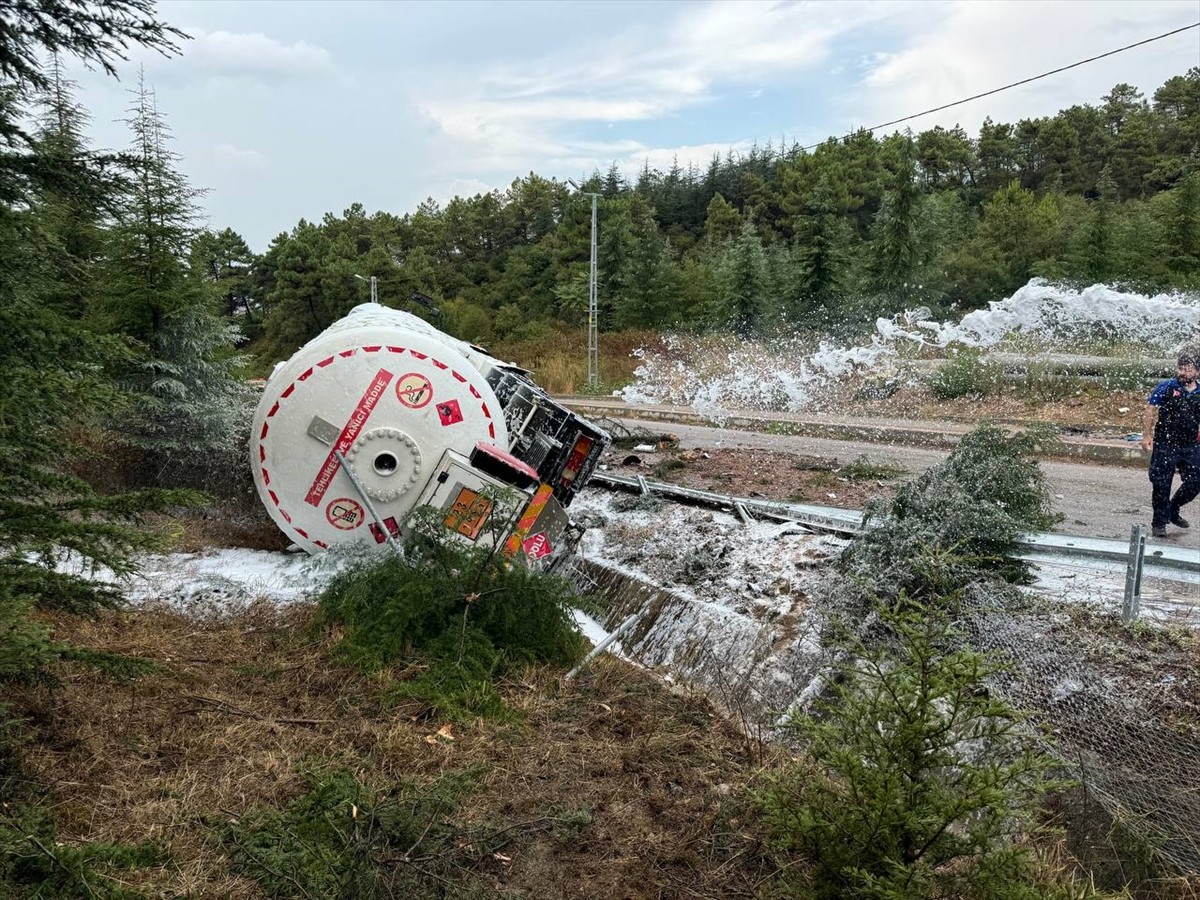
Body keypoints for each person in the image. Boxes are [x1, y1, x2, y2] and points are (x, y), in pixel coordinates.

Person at [1141, 348, 1200, 538]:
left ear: (1197, 372)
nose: (1183, 373)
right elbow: (1150, 410)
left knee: (1195, 482)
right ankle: (1159, 524)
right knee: (1161, 484)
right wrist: (1146, 436)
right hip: (1165, 444)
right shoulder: (1166, 387)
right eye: (1180, 368)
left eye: (1188, 369)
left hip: (1190, 445)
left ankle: (1173, 508)